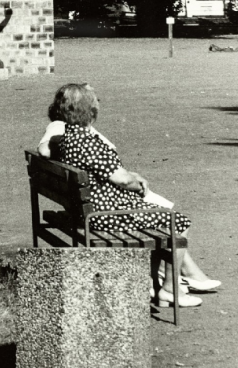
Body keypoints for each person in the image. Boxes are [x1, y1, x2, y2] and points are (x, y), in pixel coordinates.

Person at [43, 83, 221, 307]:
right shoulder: (88, 143)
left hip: (91, 209)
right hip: (105, 213)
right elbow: (122, 179)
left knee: (162, 219)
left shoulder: (64, 139)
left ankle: (159, 286)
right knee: (177, 221)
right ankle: (170, 289)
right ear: (90, 111)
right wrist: (137, 185)